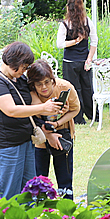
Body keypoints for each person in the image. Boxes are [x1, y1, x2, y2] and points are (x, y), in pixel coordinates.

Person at [0, 42, 62, 199]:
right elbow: (11, 110)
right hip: (7, 145)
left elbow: (32, 104)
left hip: (26, 142)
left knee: (28, 192)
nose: (25, 70)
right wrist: (43, 108)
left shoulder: (19, 80)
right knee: (7, 193)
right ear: (14, 62)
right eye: (24, 66)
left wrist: (48, 129)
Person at [27, 60, 80, 199]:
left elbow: (75, 109)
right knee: (38, 181)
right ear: (33, 84)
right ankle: (40, 213)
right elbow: (33, 117)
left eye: (47, 82)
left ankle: (68, 215)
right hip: (39, 139)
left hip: (63, 137)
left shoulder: (65, 87)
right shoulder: (29, 93)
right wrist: (48, 134)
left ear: (53, 80)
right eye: (39, 84)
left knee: (65, 180)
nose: (44, 87)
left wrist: (57, 124)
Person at [56, 0, 97, 124]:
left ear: (68, 8)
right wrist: (89, 59)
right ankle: (93, 115)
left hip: (70, 62)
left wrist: (73, 42)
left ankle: (78, 118)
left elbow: (60, 44)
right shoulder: (87, 21)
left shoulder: (65, 24)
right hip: (84, 61)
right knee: (87, 88)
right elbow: (94, 41)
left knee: (74, 90)